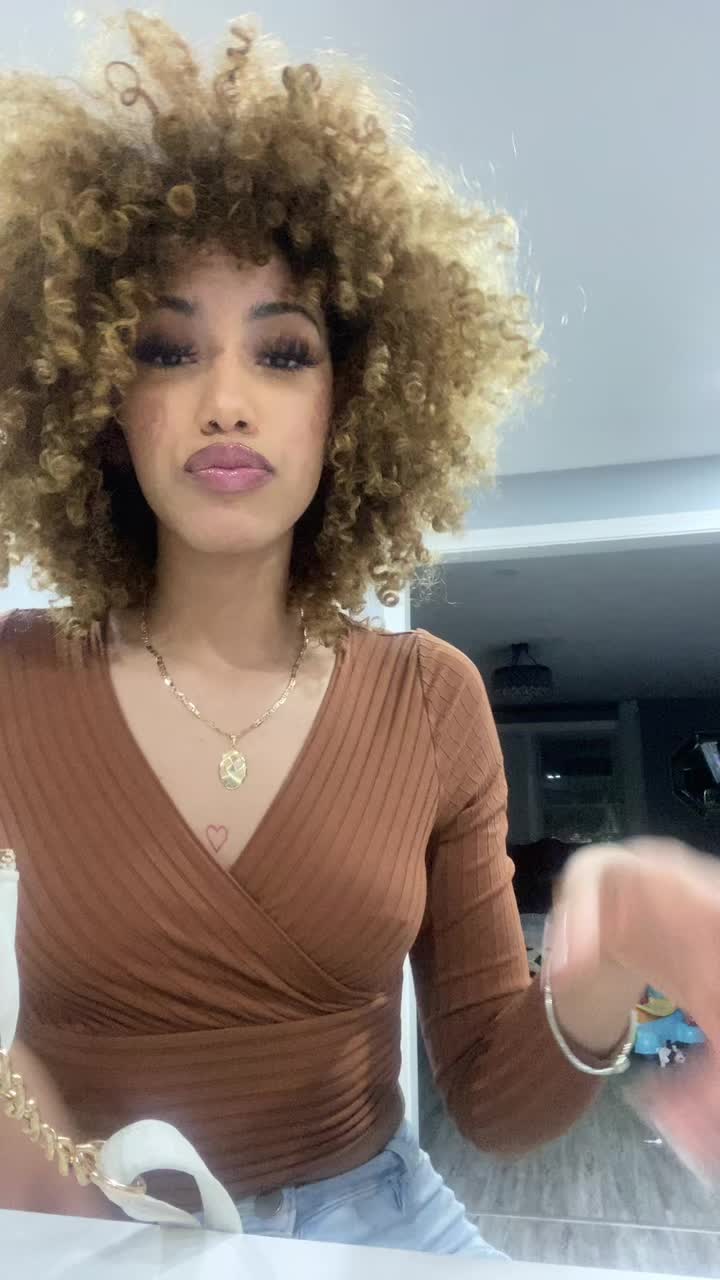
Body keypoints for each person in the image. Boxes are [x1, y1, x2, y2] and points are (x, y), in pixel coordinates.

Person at [0, 10, 718, 1258]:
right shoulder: (20, 680)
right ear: (104, 400)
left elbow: (493, 1103)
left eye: (283, 351)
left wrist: (607, 966)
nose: (227, 399)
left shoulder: (430, 701)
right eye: (170, 348)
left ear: (355, 401)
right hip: (79, 1221)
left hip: (378, 1217)